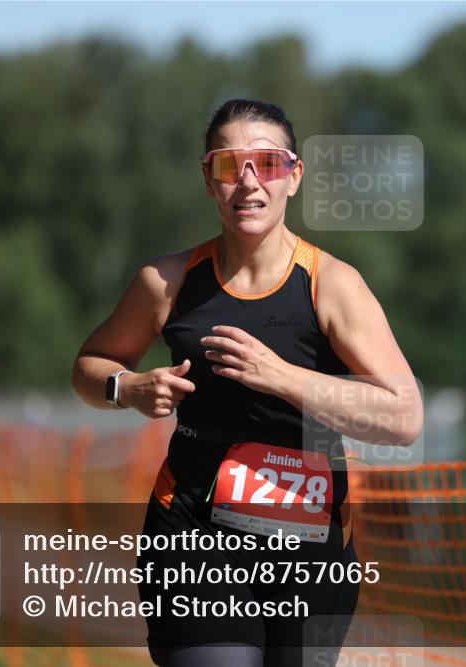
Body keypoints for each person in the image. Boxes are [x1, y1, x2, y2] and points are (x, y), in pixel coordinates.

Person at [72, 98, 422, 666]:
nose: (250, 183)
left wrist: (283, 377)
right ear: (209, 179)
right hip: (194, 537)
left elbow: (404, 417)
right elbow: (89, 366)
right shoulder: (166, 282)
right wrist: (126, 388)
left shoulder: (331, 285)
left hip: (312, 550)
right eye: (231, 165)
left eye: (269, 164)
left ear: (295, 177)